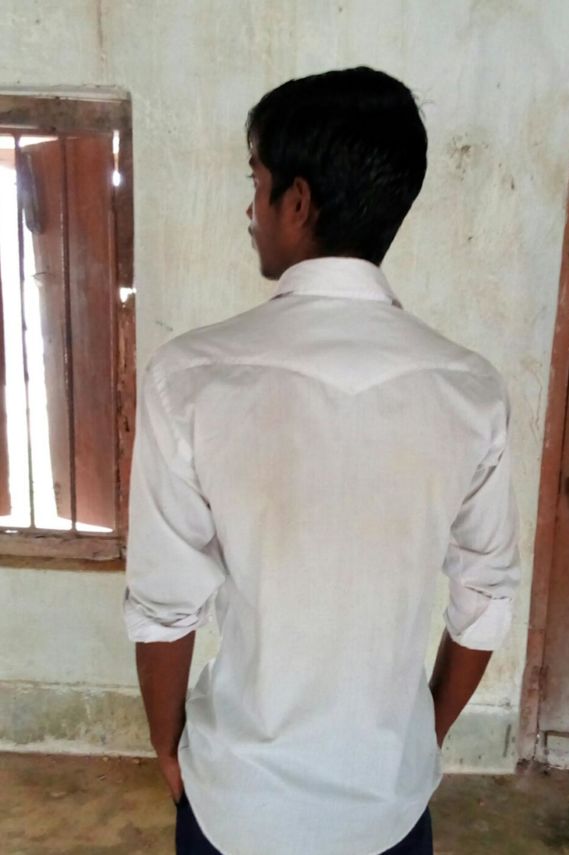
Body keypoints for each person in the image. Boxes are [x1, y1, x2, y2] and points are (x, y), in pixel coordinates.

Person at [122, 66, 521, 855]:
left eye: (256, 180)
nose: (250, 207)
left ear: (297, 202)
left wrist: (169, 752)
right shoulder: (469, 389)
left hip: (237, 803)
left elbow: (165, 608)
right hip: (388, 807)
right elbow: (486, 599)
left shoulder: (191, 378)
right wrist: (420, 741)